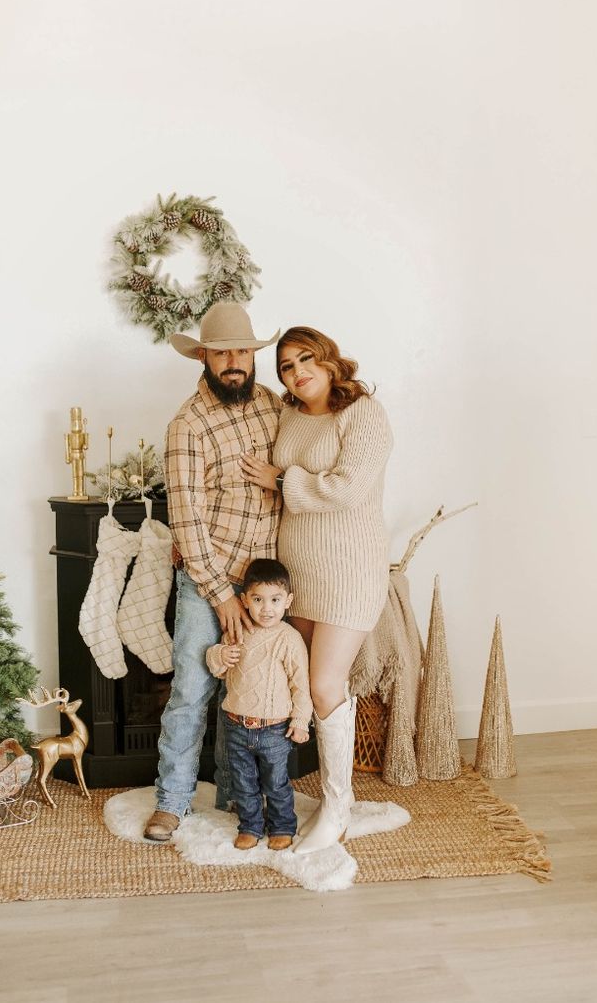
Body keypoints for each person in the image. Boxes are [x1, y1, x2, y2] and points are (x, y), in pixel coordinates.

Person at [240, 326, 393, 854]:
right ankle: (310, 797)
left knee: (326, 685)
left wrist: (282, 481)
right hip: (296, 572)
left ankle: (337, 809)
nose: (298, 371)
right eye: (286, 365)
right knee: (304, 684)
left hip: (350, 569)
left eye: (307, 359)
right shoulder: (287, 416)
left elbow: (349, 488)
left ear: (330, 362)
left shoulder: (362, 412)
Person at [143, 302, 282, 842]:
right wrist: (222, 594)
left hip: (266, 587)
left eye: (243, 351)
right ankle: (172, 802)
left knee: (250, 693)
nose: (234, 362)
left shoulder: (273, 407)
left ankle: (235, 796)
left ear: (253, 356)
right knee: (193, 691)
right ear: (202, 357)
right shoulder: (188, 425)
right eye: (222, 352)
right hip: (209, 581)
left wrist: (281, 478)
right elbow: (187, 520)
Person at [205, 558, 312, 851]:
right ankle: (250, 826)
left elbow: (301, 684)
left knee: (276, 783)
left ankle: (281, 826)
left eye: (275, 600)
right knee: (244, 782)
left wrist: (301, 722)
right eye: (258, 599)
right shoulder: (237, 631)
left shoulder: (289, 639)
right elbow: (219, 668)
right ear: (245, 601)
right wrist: (219, 655)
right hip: (236, 725)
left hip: (274, 730)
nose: (267, 608)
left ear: (288, 601)